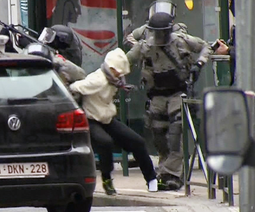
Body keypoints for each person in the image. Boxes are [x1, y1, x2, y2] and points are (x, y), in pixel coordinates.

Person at [126, 12, 211, 190]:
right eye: (157, 32)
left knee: (175, 133)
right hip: (156, 95)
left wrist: (199, 64)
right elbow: (126, 60)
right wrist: (112, 75)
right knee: (158, 133)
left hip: (176, 93)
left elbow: (205, 47)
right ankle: (165, 168)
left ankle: (172, 174)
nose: (160, 36)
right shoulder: (145, 46)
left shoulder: (181, 40)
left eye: (163, 32)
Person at [69, 48, 158, 195]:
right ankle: (106, 179)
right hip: (91, 119)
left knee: (137, 142)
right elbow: (75, 87)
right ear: (111, 69)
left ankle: (151, 179)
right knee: (105, 142)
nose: (121, 76)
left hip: (107, 119)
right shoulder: (97, 80)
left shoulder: (114, 80)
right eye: (119, 72)